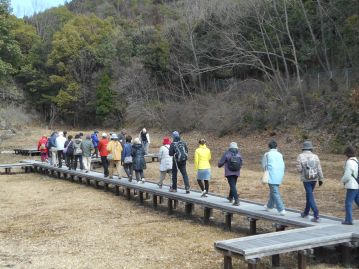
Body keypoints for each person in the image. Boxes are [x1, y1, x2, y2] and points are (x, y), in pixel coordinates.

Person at [296, 140, 324, 222]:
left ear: (303, 148)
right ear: (311, 148)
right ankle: (306, 212)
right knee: (309, 194)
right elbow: (319, 168)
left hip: (306, 179)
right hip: (314, 178)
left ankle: (316, 214)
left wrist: (303, 169)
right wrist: (321, 178)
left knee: (310, 195)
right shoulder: (315, 156)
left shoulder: (300, 156)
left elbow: (299, 169)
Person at [262, 140, 286, 216]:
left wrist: (265, 172)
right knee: (274, 190)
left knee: (275, 192)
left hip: (271, 174)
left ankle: (281, 209)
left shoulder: (267, 154)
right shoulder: (280, 154)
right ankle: (269, 206)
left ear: (269, 147)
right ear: (276, 147)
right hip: (280, 174)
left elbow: (264, 165)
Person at [341, 146, 359, 225]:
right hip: (357, 184)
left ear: (347, 154)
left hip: (352, 185)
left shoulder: (349, 162)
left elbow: (347, 175)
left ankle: (349, 220)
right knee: (357, 200)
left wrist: (342, 180)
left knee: (348, 203)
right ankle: (348, 219)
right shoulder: (356, 161)